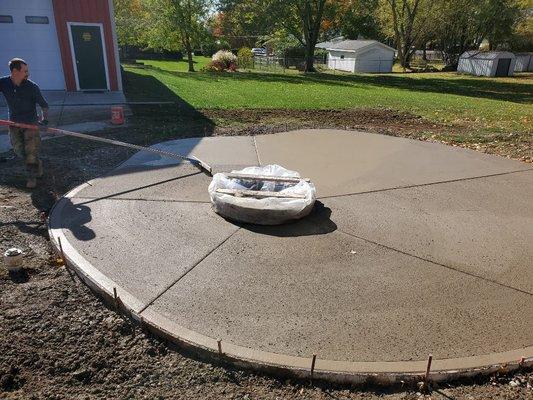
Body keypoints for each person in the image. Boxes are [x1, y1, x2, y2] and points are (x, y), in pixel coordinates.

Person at [0, 58, 49, 189]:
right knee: (19, 151)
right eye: (25, 71)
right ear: (15, 71)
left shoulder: (32, 87)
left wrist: (44, 120)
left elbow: (44, 105)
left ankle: (31, 177)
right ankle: (38, 164)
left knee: (30, 151)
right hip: (14, 123)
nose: (28, 74)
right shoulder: (4, 83)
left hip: (31, 124)